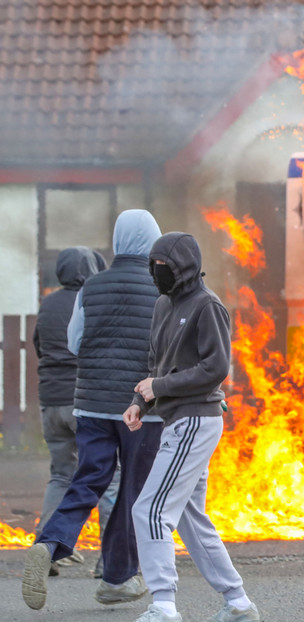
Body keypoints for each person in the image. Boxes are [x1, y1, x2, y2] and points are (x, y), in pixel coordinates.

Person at [22, 210, 164, 610]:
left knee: (86, 481)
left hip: (91, 407)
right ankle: (117, 578)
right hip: (143, 412)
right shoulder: (160, 288)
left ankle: (50, 544)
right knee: (133, 491)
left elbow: (73, 343)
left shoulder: (92, 286)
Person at [124, 232, 259, 622]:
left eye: (162, 267)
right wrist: (139, 401)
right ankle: (237, 603)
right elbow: (156, 363)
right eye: (152, 266)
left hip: (196, 420)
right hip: (177, 419)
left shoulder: (207, 306)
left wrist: (159, 388)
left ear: (183, 266)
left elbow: (216, 368)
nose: (155, 273)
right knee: (187, 516)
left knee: (149, 510)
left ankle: (164, 606)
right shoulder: (163, 305)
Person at [32, 247, 100, 574]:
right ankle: (112, 560)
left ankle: (43, 548)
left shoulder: (46, 304)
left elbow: (39, 347)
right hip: (82, 401)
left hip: (50, 402)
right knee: (109, 475)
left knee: (60, 475)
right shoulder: (89, 299)